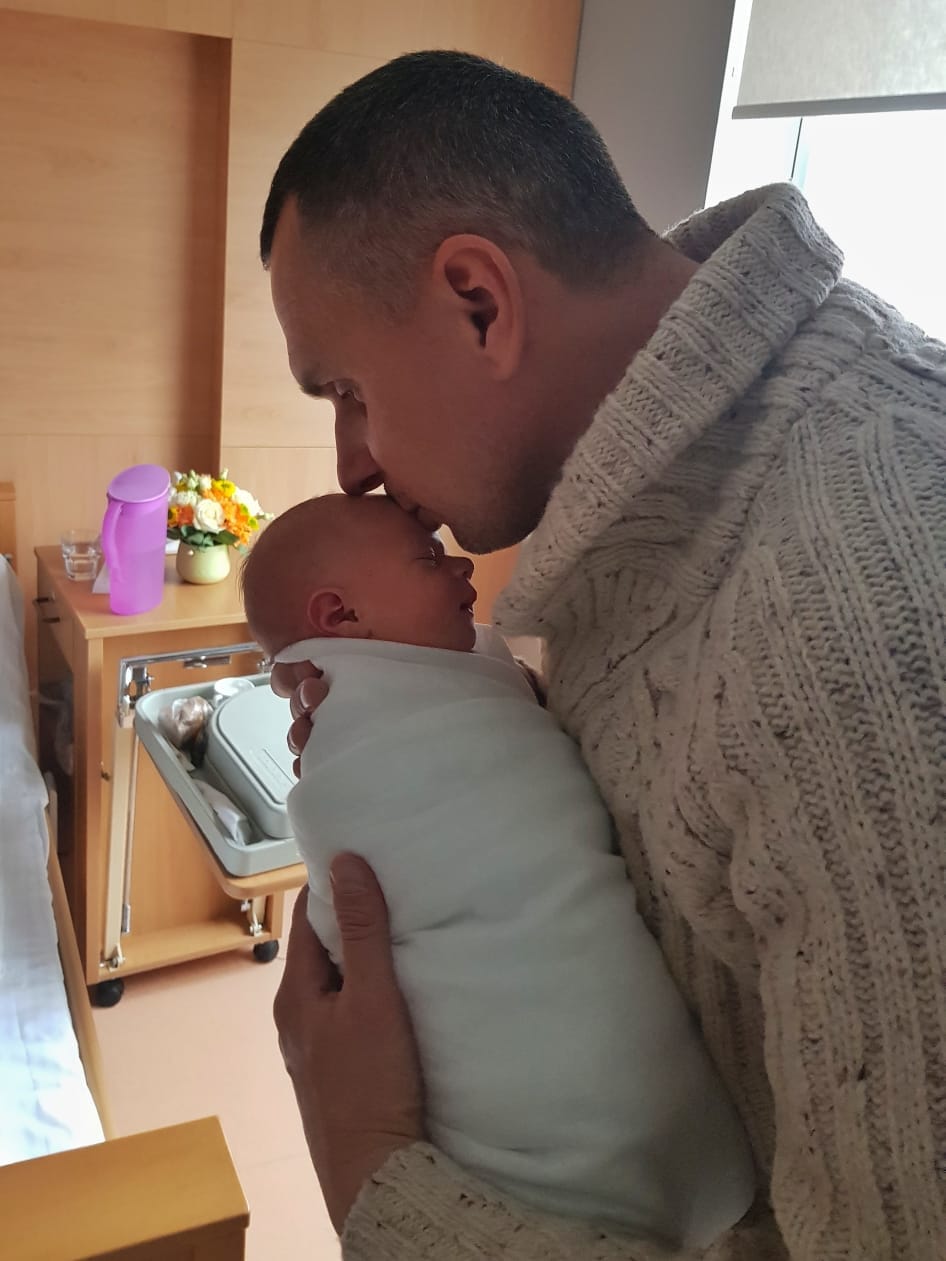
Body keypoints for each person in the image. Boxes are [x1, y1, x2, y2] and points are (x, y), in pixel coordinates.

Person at [261, 50, 946, 1261]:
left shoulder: (870, 588)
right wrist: (449, 738)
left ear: (479, 302)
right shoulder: (657, 510)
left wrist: (372, 1169)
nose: (351, 466)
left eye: (347, 391)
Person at [240, 493, 755, 1246]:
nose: (461, 565)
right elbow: (362, 873)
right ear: (342, 616)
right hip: (517, 1039)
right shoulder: (358, 744)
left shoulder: (469, 672)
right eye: (428, 558)